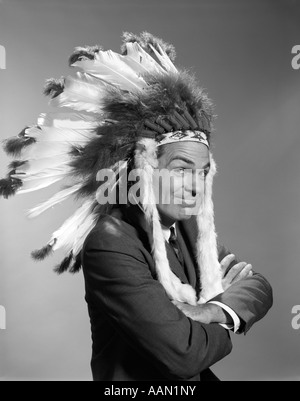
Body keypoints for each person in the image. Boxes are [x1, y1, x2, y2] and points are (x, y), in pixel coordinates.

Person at [0, 32, 273, 381]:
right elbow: (186, 354)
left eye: (204, 172)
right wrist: (226, 306)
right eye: (181, 170)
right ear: (144, 172)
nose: (196, 186)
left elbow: (259, 286)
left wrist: (208, 310)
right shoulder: (110, 241)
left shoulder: (188, 229)